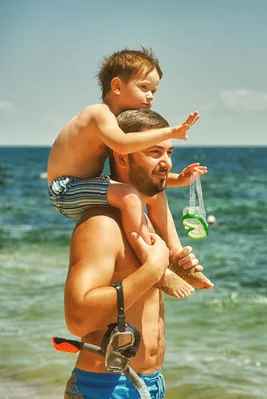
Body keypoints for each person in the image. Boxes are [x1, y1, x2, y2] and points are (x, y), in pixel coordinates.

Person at [47, 47, 212, 297]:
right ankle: (152, 262)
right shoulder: (98, 114)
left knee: (155, 193)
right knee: (128, 195)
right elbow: (122, 145)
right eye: (144, 88)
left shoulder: (118, 118)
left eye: (154, 91)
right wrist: (171, 132)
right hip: (66, 190)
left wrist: (181, 178)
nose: (151, 97)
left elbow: (140, 166)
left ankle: (177, 258)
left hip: (90, 184)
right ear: (116, 86)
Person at [63, 109, 204, 398]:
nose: (166, 163)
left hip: (151, 383)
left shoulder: (143, 220)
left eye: (169, 152)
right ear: (123, 156)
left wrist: (177, 265)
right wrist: (153, 270)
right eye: (154, 152)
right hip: (105, 388)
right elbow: (77, 318)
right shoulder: (102, 225)